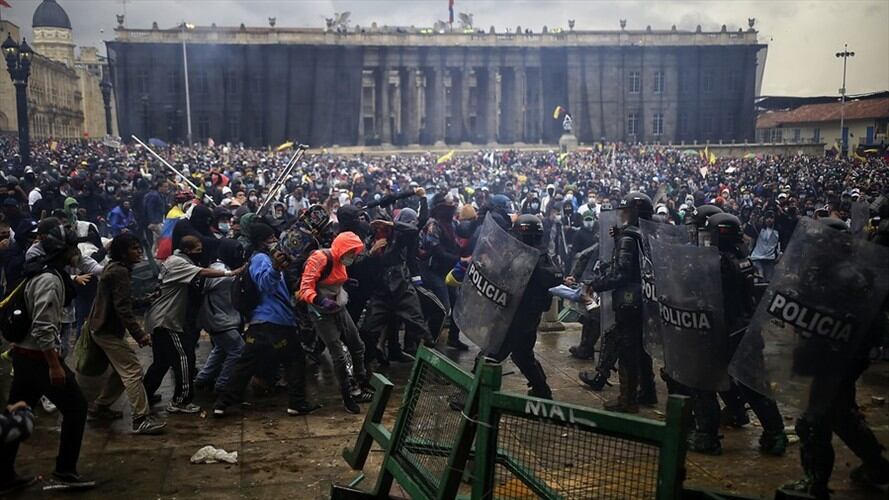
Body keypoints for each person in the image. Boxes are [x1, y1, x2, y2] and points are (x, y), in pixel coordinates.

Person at [783, 217, 889, 498]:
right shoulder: (823, 271)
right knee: (841, 415)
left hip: (836, 361)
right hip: (828, 358)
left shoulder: (850, 277)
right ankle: (876, 465)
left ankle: (815, 483)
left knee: (813, 421)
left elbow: (869, 324)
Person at [0, 224, 95, 491]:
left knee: (16, 412)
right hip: (38, 358)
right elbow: (43, 328)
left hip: (25, 356)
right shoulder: (50, 280)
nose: (76, 252)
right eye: (73, 247)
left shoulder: (42, 271)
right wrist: (54, 365)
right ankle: (65, 471)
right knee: (76, 408)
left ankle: (4, 475)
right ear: (62, 250)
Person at [214, 223, 320, 417]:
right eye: (271, 238)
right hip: (276, 322)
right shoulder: (260, 259)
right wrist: (275, 269)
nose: (275, 241)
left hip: (261, 324)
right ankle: (297, 403)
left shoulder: (264, 259)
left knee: (245, 365)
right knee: (295, 360)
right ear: (262, 241)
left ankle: (222, 404)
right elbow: (266, 284)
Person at [143, 235, 233, 414]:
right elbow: (203, 273)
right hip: (167, 320)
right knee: (184, 358)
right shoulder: (179, 262)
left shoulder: (174, 260)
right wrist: (231, 273)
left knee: (161, 361)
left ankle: (144, 395)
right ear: (187, 250)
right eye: (197, 250)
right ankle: (181, 401)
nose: (200, 253)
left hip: (160, 317)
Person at [585, 192, 657, 413]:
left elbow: (622, 274)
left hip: (629, 300)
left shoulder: (628, 238)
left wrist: (596, 285)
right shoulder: (650, 235)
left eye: (626, 211)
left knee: (626, 349)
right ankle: (648, 391)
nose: (622, 215)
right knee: (641, 348)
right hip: (647, 297)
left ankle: (627, 400)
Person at [87, 233, 166, 435]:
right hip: (107, 330)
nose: (138, 252)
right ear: (123, 252)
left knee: (119, 370)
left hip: (102, 327)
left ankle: (101, 407)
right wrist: (139, 335)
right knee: (133, 370)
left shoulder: (115, 268)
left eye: (139, 247)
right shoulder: (120, 271)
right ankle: (141, 419)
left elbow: (120, 301)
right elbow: (122, 308)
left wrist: (144, 300)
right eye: (133, 248)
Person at [488, 214, 563, 398]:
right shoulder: (540, 255)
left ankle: (471, 398)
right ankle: (542, 391)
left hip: (516, 316)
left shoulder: (530, 258)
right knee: (522, 355)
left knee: (490, 356)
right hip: (527, 316)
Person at [298, 230, 372, 414]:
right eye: (350, 252)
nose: (352, 256)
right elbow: (305, 288)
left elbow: (335, 277)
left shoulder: (340, 261)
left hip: (338, 305)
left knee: (357, 345)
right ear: (341, 249)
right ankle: (347, 394)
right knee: (338, 354)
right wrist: (320, 300)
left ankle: (361, 381)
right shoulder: (320, 259)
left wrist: (346, 283)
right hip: (321, 311)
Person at [194, 239, 246, 394]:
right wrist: (239, 272)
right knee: (238, 349)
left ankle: (203, 378)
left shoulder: (225, 267)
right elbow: (222, 279)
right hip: (219, 319)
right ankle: (223, 384)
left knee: (221, 349)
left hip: (223, 318)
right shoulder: (218, 269)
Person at [746, 210, 780, 281]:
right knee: (759, 277)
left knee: (768, 280)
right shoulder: (759, 228)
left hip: (770, 258)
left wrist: (780, 255)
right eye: (767, 218)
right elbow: (751, 238)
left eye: (771, 218)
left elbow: (781, 243)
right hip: (757, 257)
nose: (769, 220)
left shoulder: (778, 230)